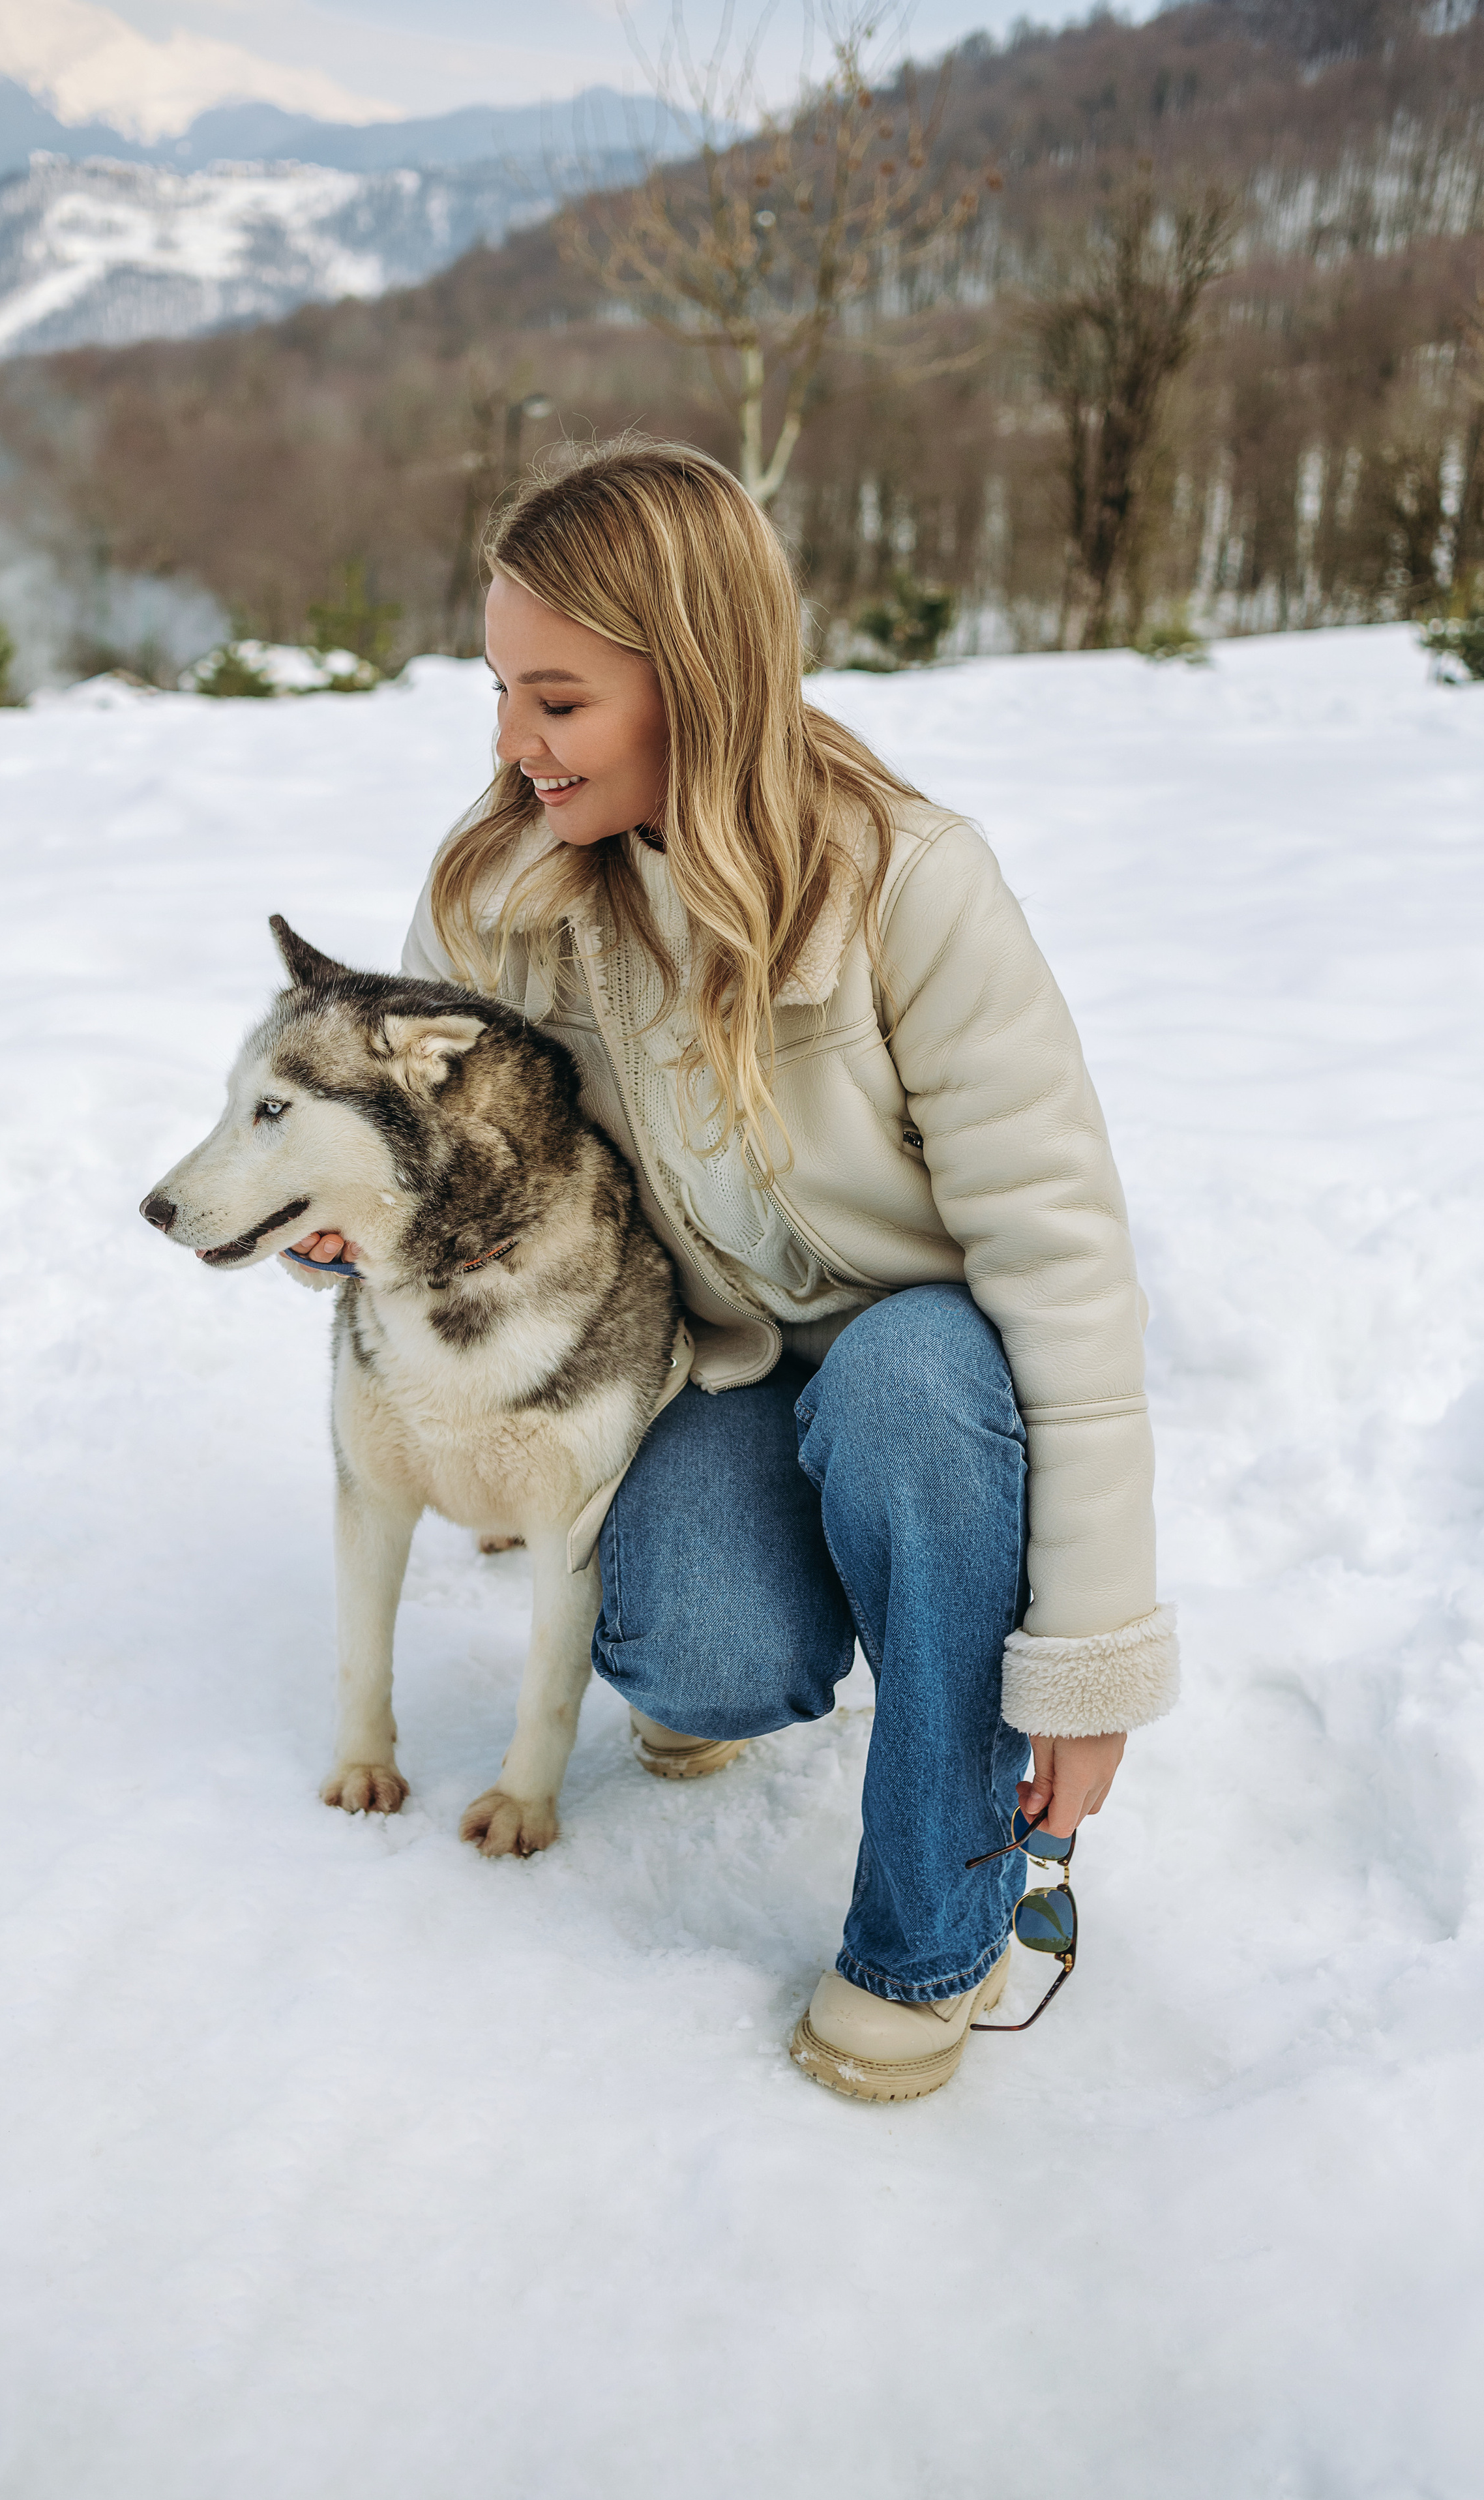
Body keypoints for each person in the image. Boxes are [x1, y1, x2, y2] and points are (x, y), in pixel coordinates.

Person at [293, 438, 1178, 2102]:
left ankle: (929, 1934)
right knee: (693, 1650)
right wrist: (360, 1216)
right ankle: (843, 1589)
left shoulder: (910, 884)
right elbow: (438, 1153)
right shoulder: (498, 899)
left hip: (938, 1378)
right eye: (499, 690)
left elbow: (1059, 1262)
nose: (510, 743)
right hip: (717, 1365)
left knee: (912, 1383)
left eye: (555, 699)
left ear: (691, 680)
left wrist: (1087, 1651)